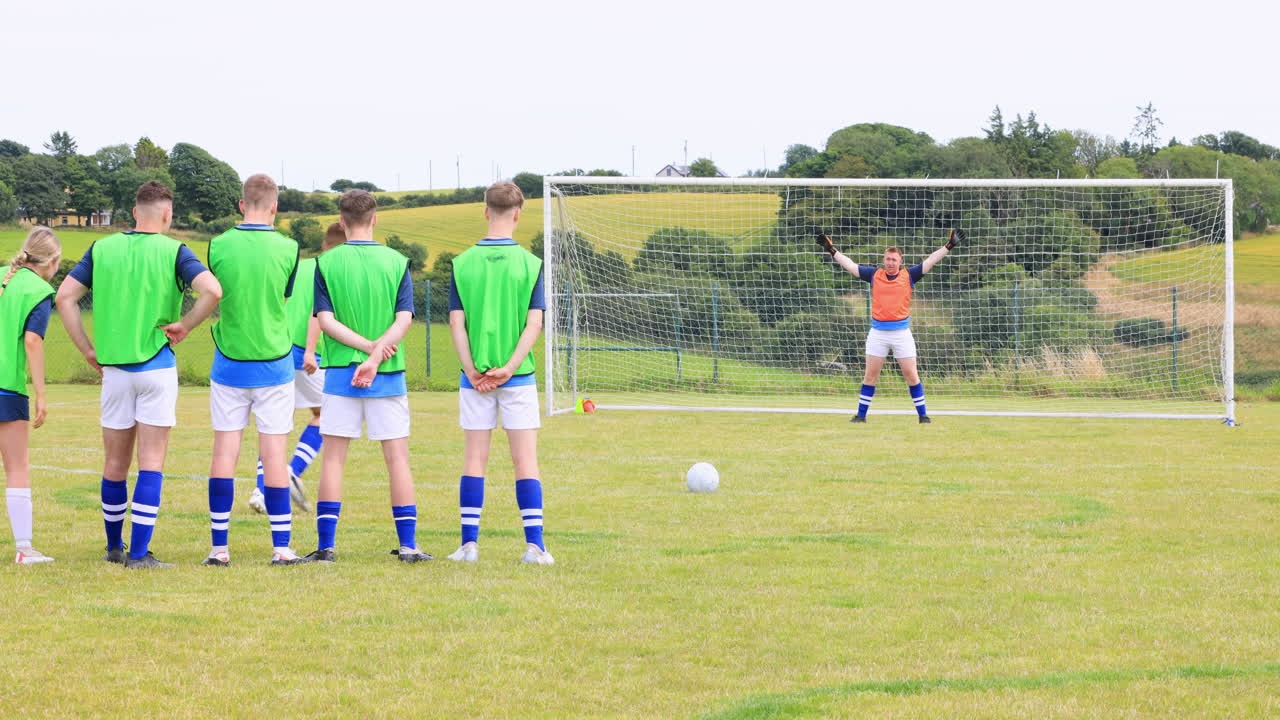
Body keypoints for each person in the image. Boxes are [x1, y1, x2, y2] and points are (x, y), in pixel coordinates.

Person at [56, 181, 222, 568]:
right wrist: (185, 324)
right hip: (156, 367)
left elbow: (65, 297)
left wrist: (87, 350)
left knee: (115, 463)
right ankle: (140, 553)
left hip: (114, 371)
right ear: (167, 214)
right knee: (151, 462)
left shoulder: (102, 247)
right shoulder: (174, 250)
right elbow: (212, 290)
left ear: (134, 213)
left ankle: (114, 548)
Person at [303, 190, 429, 563]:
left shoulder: (325, 263)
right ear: (375, 219)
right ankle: (408, 546)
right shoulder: (397, 261)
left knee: (333, 461)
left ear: (341, 222)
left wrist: (363, 350)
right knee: (397, 460)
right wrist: (375, 356)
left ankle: (326, 547)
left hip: (341, 372)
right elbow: (404, 319)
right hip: (387, 373)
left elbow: (324, 320)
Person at [446, 181, 552, 565]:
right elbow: (534, 325)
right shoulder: (531, 264)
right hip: (518, 376)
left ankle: (469, 546)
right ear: (518, 214)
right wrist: (508, 368)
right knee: (526, 462)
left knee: (474, 460)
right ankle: (534, 547)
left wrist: (472, 370)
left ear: (485, 210)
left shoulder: (462, 263)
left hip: (473, 379)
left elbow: (457, 325)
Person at [202, 173, 306, 566]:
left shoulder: (217, 245)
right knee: (274, 456)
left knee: (224, 454)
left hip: (229, 362)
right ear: (275, 207)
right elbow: (282, 295)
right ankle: (281, 548)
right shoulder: (289, 248)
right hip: (275, 364)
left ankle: (219, 549)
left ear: (242, 204)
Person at [248, 222, 345, 516]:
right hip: (306, 355)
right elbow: (318, 313)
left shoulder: (299, 265)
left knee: (273, 423)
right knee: (327, 416)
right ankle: (291, 471)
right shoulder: (334, 271)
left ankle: (260, 489)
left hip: (275, 349)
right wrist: (313, 351)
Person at [816, 229, 963, 424]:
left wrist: (949, 246)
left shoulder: (909, 275)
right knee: (870, 375)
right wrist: (832, 250)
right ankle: (860, 416)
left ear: (900, 261)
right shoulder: (874, 275)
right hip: (878, 333)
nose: (891, 262)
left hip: (901, 334)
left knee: (911, 374)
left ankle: (923, 416)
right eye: (888, 259)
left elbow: (930, 261)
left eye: (894, 259)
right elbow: (851, 266)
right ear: (883, 260)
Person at [1, 227, 61, 564]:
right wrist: (41, 394)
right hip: (6, 387)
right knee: (17, 467)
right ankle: (24, 549)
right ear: (52, 261)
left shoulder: (3, 276)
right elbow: (32, 341)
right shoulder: (40, 290)